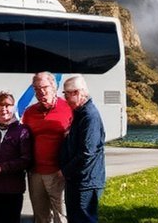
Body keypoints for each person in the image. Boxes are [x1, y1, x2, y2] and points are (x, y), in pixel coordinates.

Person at [22, 71, 73, 223]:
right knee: (40, 216)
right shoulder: (29, 113)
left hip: (58, 173)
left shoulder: (68, 108)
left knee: (61, 217)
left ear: (54, 87)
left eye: (44, 87)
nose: (41, 92)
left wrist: (67, 169)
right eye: (36, 89)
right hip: (35, 173)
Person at [0, 90, 33, 223]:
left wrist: (1, 168)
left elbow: (26, 159)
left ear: (13, 107)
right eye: (0, 105)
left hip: (12, 189)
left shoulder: (23, 131)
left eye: (8, 105)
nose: (4, 109)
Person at [58, 75, 106, 223]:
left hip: (86, 181)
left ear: (77, 93)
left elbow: (87, 152)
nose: (64, 97)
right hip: (78, 180)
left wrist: (65, 171)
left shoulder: (89, 116)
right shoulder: (80, 114)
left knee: (84, 218)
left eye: (66, 93)